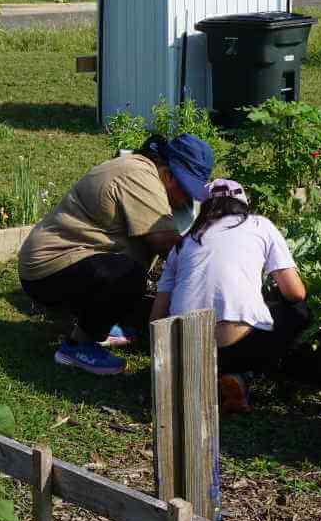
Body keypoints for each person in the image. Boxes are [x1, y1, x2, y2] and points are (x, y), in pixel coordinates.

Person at [18, 132, 214, 376]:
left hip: (60, 261)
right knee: (127, 275)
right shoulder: (141, 178)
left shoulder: (139, 168)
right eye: (186, 190)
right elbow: (167, 245)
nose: (186, 200)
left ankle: (101, 325)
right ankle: (78, 345)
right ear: (168, 174)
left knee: (131, 264)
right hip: (47, 270)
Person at [147, 179, 308, 413]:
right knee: (298, 310)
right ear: (242, 204)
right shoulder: (259, 225)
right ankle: (240, 376)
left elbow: (157, 315)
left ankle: (196, 378)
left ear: (205, 207)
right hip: (239, 349)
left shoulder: (184, 243)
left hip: (185, 348)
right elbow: (295, 292)